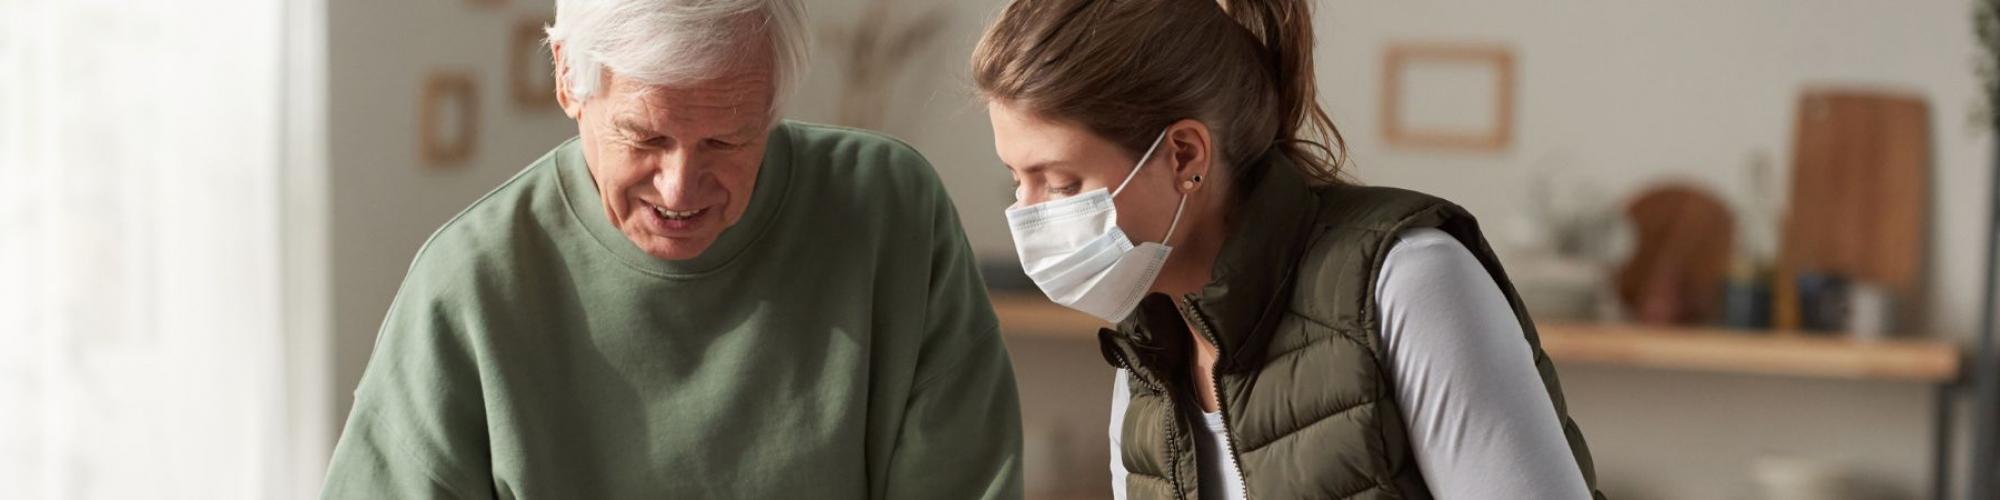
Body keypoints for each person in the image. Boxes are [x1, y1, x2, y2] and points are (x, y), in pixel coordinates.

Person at [321, 1, 1021, 497]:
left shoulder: (889, 212)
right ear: (568, 78)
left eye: (726, 139)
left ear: (777, 97)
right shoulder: (470, 283)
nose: (680, 186)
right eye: (645, 137)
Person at [973, 0, 1606, 498]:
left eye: (1060, 182)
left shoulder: (1405, 279)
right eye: (1016, 179)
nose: (1027, 216)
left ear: (1184, 155)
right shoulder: (1147, 352)